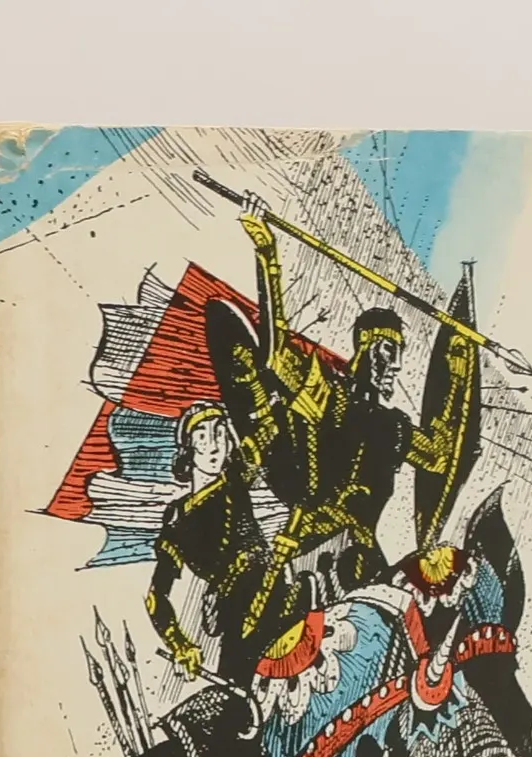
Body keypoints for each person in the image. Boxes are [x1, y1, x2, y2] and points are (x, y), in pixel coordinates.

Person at [208, 196, 475, 607]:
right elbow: (276, 352)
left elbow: (440, 455)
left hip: (363, 558)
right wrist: (266, 253)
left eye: (399, 353)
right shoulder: (328, 396)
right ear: (364, 347)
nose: (396, 364)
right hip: (310, 550)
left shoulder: (395, 427)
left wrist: (457, 370)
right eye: (388, 350)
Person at [143, 400, 308, 685]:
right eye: (202, 437)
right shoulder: (176, 519)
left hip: (278, 590)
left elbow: (270, 429)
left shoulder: (235, 478)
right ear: (188, 449)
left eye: (220, 433)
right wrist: (180, 645)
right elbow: (156, 597)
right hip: (236, 615)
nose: (214, 446)